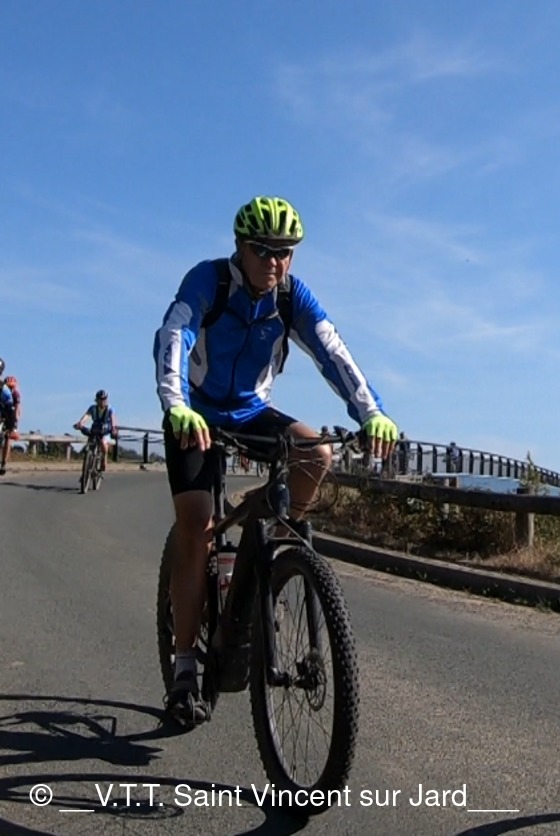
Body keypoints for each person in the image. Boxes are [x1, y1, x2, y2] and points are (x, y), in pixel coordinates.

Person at [152, 195, 400, 729]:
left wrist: (372, 412)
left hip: (251, 411)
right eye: (262, 250)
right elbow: (174, 334)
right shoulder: (210, 281)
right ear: (240, 248)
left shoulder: (291, 297)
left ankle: (263, 536)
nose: (274, 261)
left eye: (285, 251)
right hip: (196, 413)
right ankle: (186, 668)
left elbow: (333, 352)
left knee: (317, 453)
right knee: (196, 526)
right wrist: (175, 405)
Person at [73, 389, 118, 473]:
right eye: (100, 399)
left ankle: (104, 459)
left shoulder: (110, 409)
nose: (102, 401)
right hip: (95, 430)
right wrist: (80, 423)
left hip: (105, 432)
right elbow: (86, 416)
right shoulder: (92, 408)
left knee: (103, 442)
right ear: (96, 400)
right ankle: (86, 469)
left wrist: (113, 428)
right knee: (90, 443)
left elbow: (113, 419)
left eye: (104, 399)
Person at [0, 367, 21, 476]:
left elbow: (16, 409)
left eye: (12, 387)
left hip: (8, 414)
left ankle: (3, 463)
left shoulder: (14, 394)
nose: (10, 388)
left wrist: (14, 426)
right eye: (9, 386)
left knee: (8, 436)